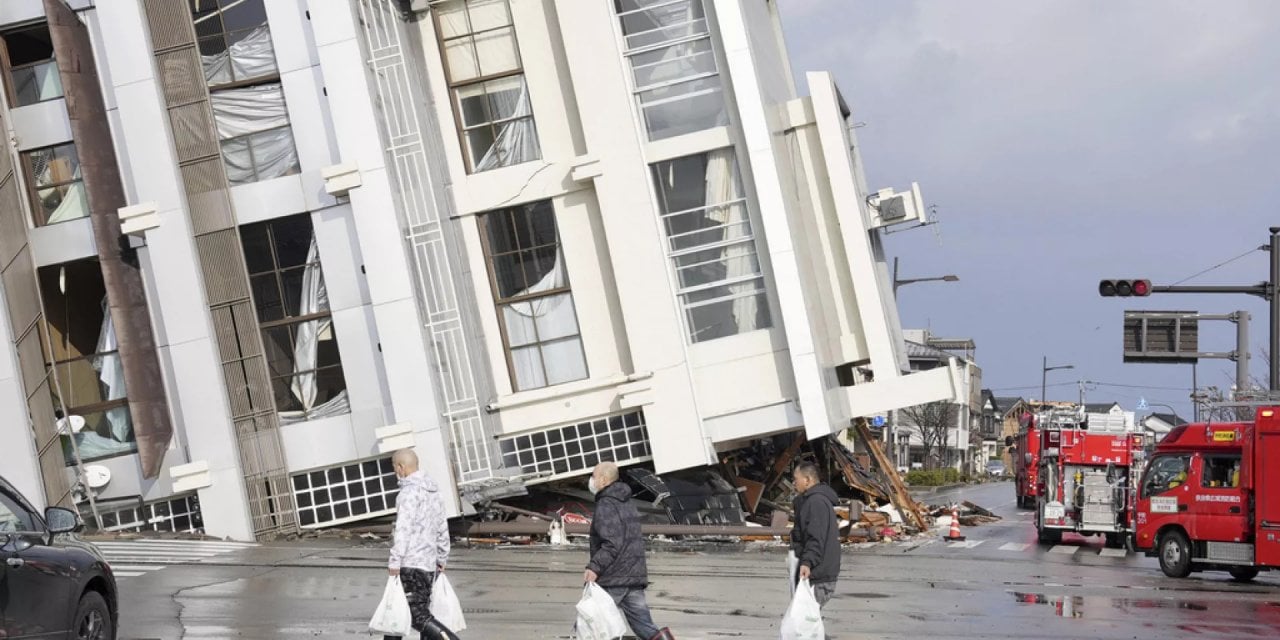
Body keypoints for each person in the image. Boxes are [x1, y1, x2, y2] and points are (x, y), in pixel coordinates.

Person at [583, 462, 675, 640]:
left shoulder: (606, 504)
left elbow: (612, 543)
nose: (591, 480)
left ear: (603, 479)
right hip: (633, 575)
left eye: (593, 476)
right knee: (645, 626)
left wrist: (594, 567)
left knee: (592, 622)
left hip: (614, 577)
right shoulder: (626, 501)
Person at [385, 449, 459, 640]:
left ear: (401, 467)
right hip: (428, 565)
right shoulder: (434, 492)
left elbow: (403, 529)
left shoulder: (408, 493)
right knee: (397, 615)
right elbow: (442, 527)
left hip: (410, 563)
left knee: (417, 616)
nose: (395, 472)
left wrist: (395, 561)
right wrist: (442, 558)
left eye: (394, 467)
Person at [790, 462, 841, 609]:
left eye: (796, 479)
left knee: (805, 621)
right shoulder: (812, 500)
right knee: (806, 620)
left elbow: (815, 537)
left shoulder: (815, 503)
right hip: (817, 573)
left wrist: (807, 563)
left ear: (807, 480)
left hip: (817, 574)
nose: (794, 483)